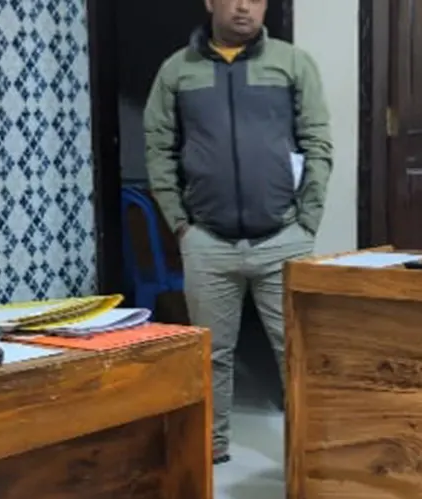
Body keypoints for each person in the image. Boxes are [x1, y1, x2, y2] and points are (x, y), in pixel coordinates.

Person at [144, 0, 332, 464]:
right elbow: (158, 148)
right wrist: (181, 224)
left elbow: (318, 143)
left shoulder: (292, 63)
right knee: (211, 354)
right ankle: (212, 448)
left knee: (297, 352)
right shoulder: (177, 70)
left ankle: (310, 453)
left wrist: (307, 220)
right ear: (211, 2)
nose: (245, 6)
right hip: (208, 241)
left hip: (282, 239)